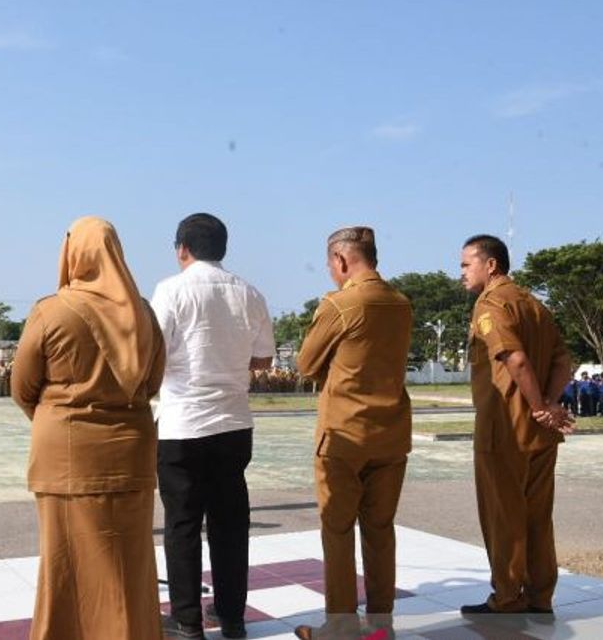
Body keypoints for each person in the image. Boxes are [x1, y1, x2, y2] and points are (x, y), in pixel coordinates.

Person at [11, 216, 166, 640]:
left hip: (67, 460)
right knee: (130, 569)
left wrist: (61, 420)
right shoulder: (144, 314)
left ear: (73, 253)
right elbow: (152, 383)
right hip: (131, 456)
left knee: (66, 567)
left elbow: (23, 388)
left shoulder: (51, 310)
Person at [150, 213, 275, 640]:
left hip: (182, 423)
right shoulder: (250, 293)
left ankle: (187, 621)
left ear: (182, 248)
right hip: (233, 423)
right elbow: (263, 360)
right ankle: (232, 616)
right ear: (223, 248)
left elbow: (154, 354)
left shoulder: (170, 290)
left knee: (182, 525)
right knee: (230, 524)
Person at [291, 226, 412, 640]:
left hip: (345, 434)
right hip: (391, 433)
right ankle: (381, 626)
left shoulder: (341, 305)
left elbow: (306, 364)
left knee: (338, 531)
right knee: (380, 531)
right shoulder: (400, 303)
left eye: (330, 265)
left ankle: (340, 628)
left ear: (341, 260)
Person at [458, 235, 574, 616]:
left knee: (503, 515)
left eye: (465, 264)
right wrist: (549, 408)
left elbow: (517, 360)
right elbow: (563, 362)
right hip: (542, 432)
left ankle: (507, 597)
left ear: (490, 265)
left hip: (505, 428)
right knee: (538, 517)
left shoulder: (492, 302)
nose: (461, 273)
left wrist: (539, 406)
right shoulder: (535, 305)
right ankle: (540, 596)